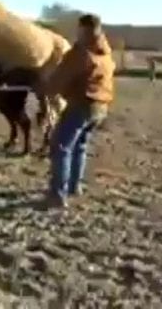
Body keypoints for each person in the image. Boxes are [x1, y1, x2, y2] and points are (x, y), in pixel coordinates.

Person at [42, 13, 116, 208]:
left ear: (84, 30)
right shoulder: (105, 52)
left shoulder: (81, 53)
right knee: (79, 145)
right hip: (100, 108)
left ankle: (57, 194)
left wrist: (46, 89)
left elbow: (61, 76)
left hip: (82, 105)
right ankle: (74, 186)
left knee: (60, 147)